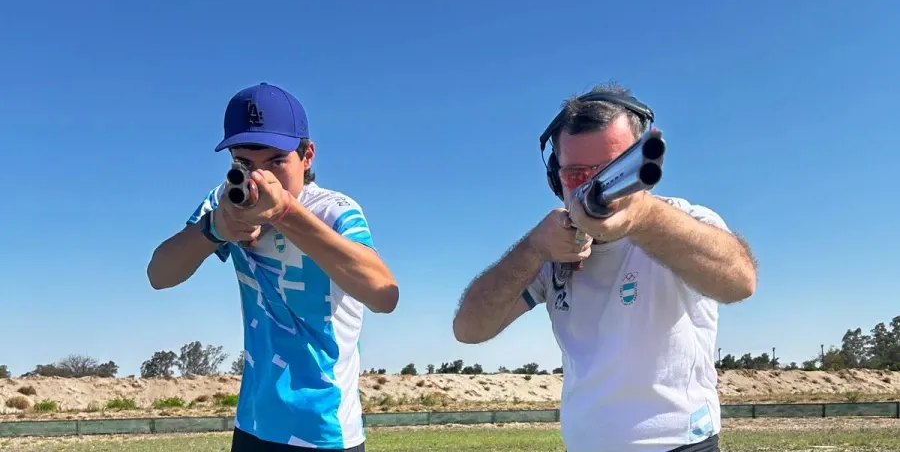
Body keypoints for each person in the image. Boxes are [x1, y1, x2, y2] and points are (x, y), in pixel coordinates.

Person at [452, 83, 757, 452]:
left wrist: (643, 219)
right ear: (555, 178)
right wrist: (533, 249)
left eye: (611, 169)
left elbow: (740, 282)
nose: (593, 184)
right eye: (576, 174)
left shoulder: (683, 220)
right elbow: (470, 328)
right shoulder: (552, 248)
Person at [147, 82, 399, 452]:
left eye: (276, 162)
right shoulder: (225, 203)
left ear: (307, 155)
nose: (260, 178)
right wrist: (213, 230)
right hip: (252, 424)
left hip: (324, 432)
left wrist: (284, 213)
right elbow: (159, 274)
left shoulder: (334, 211)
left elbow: (384, 294)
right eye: (244, 164)